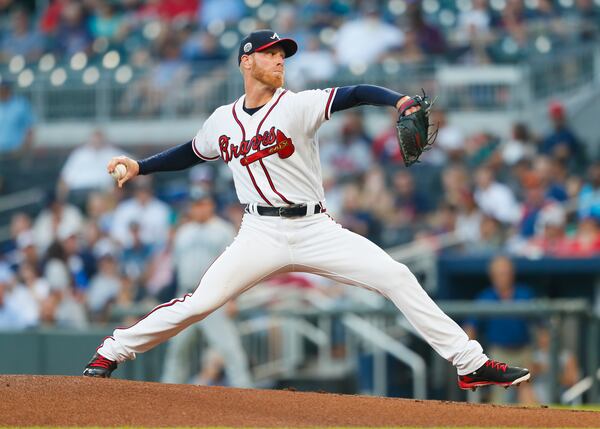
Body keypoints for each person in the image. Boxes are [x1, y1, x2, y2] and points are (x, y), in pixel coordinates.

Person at [83, 29, 530, 392]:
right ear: (246, 62)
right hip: (259, 233)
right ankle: (112, 351)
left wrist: (398, 101)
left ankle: (469, 364)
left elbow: (353, 93)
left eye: (283, 54)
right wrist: (140, 166)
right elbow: (191, 152)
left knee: (396, 276)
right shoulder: (223, 120)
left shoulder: (297, 105)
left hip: (316, 227)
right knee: (200, 303)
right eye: (269, 53)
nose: (279, 60)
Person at [161, 190, 252, 387]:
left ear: (211, 205)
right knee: (178, 349)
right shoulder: (183, 232)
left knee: (229, 349)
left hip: (215, 297)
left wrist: (232, 299)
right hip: (187, 295)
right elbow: (177, 269)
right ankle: (168, 392)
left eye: (203, 203)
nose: (199, 208)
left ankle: (245, 391)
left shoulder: (223, 230)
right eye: (195, 204)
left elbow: (234, 267)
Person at [463, 255, 535, 402]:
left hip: (525, 351)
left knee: (528, 393)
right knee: (500, 401)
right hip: (499, 354)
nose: (504, 277)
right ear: (492, 276)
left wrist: (541, 354)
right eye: (500, 273)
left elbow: (542, 329)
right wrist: (468, 355)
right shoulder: (485, 297)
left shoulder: (524, 293)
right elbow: (470, 328)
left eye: (506, 272)